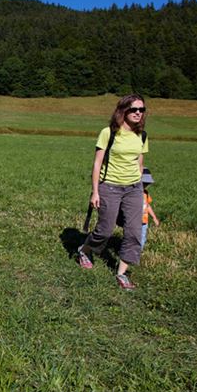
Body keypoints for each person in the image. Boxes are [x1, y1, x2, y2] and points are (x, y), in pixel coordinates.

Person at [77, 94, 149, 291]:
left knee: (134, 231)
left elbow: (139, 163)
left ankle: (122, 273)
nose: (137, 113)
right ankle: (85, 249)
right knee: (105, 230)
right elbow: (97, 163)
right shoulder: (108, 133)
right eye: (134, 109)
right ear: (123, 110)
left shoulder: (141, 135)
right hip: (109, 186)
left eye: (141, 110)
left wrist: (139, 188)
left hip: (133, 189)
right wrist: (95, 192)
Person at [141, 167, 160, 251]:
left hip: (144, 221)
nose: (145, 185)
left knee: (142, 239)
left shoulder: (145, 193)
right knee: (131, 238)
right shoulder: (132, 193)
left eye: (147, 183)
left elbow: (147, 206)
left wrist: (154, 217)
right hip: (133, 221)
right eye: (143, 183)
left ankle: (137, 254)